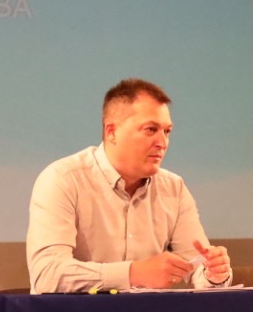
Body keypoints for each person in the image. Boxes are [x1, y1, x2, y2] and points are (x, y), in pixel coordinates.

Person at [26, 78, 233, 294]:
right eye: (150, 129)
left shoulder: (174, 188)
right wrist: (133, 273)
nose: (162, 143)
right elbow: (47, 274)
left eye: (167, 131)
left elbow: (198, 267)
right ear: (112, 132)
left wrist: (213, 274)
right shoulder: (62, 179)